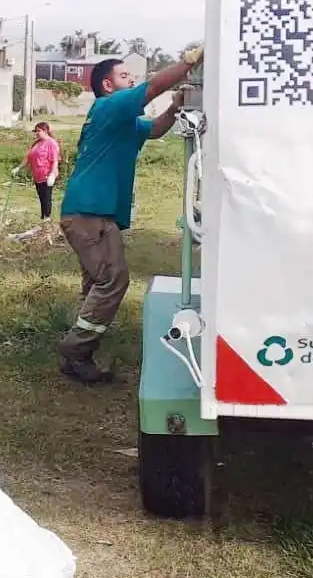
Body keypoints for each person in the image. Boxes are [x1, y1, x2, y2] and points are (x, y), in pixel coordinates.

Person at [57, 45, 203, 385]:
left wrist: (175, 106)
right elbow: (151, 88)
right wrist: (186, 63)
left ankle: (79, 353)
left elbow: (153, 130)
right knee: (114, 280)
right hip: (90, 213)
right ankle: (75, 350)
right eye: (125, 75)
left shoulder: (123, 120)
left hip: (91, 212)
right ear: (108, 85)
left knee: (97, 284)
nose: (132, 79)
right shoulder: (109, 106)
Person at [12, 122, 61, 221]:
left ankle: (46, 219)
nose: (37, 133)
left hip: (47, 176)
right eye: (36, 131)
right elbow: (28, 158)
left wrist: (52, 174)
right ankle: (43, 218)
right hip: (37, 176)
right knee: (42, 198)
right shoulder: (37, 143)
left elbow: (55, 160)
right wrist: (18, 168)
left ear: (45, 131)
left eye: (39, 131)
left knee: (46, 198)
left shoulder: (51, 143)